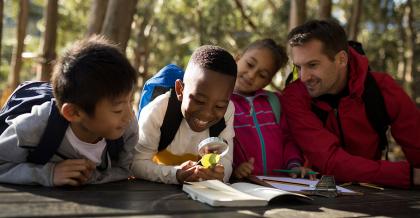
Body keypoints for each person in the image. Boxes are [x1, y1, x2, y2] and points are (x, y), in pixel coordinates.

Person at [283, 19, 420, 188]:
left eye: (312, 65)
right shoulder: (294, 96)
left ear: (341, 60)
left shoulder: (381, 88)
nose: (303, 77)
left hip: (375, 193)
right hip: (314, 195)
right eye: (298, 67)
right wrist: (406, 174)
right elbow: (329, 161)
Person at [0, 36, 139, 186]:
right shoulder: (35, 127)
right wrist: (49, 173)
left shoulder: (126, 131)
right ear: (74, 113)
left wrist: (92, 177)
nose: (129, 116)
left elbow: (125, 169)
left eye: (130, 102)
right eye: (117, 110)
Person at [132, 45, 237, 184]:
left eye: (219, 106)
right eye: (199, 101)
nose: (206, 114)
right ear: (180, 89)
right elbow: (136, 164)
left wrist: (218, 174)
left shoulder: (227, 112)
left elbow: (226, 161)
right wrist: (176, 174)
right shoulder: (158, 111)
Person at [231, 38, 315, 180]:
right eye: (250, 64)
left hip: (279, 186)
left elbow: (288, 140)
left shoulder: (274, 102)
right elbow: (217, 144)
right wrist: (234, 170)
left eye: (262, 75)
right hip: (240, 187)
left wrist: (294, 165)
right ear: (238, 58)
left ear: (268, 81)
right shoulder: (221, 103)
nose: (251, 75)